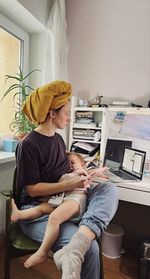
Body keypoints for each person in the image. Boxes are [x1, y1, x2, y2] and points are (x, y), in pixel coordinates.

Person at [15, 80, 118, 279]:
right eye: (67, 113)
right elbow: (32, 190)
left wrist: (83, 173)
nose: (69, 118)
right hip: (38, 210)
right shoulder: (28, 145)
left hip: (64, 198)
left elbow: (62, 172)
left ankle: (79, 241)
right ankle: (80, 244)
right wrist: (69, 184)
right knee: (92, 249)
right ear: (52, 113)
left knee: (109, 189)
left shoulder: (58, 139)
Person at [11, 152, 103, 268]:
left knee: (54, 218)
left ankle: (43, 252)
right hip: (62, 200)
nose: (69, 165)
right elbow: (60, 184)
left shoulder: (80, 173)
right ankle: (19, 214)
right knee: (42, 208)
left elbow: (79, 179)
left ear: (83, 165)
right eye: (66, 164)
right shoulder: (65, 175)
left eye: (73, 163)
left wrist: (91, 173)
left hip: (75, 200)